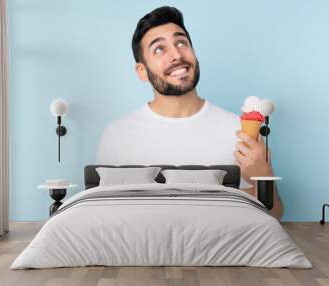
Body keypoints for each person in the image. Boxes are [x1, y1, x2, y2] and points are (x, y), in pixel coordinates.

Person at [96, 6, 283, 220]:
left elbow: (272, 216)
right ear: (142, 71)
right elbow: (104, 217)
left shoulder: (237, 131)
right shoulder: (116, 135)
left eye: (181, 43)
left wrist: (264, 177)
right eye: (159, 49)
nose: (176, 55)